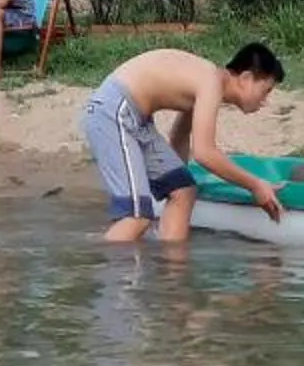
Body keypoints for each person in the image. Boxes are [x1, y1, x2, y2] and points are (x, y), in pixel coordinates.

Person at [79, 42, 285, 244]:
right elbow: (204, 153)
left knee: (183, 191)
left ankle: (171, 269)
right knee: (137, 218)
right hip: (114, 111)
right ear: (246, 78)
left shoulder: (209, 82)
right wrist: (256, 185)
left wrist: (175, 177)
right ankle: (100, 262)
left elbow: (179, 136)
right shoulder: (211, 82)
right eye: (266, 90)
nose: (265, 100)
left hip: (136, 119)